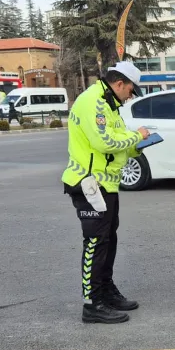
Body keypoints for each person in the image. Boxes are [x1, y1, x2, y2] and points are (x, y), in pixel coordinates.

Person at [61, 61, 150, 324]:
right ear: (119, 84)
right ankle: (92, 303)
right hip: (89, 184)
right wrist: (136, 137)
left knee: (107, 241)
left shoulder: (109, 104)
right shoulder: (94, 102)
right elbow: (104, 142)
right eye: (131, 91)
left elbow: (119, 138)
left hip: (106, 185)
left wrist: (138, 145)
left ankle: (106, 292)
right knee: (95, 244)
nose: (130, 97)